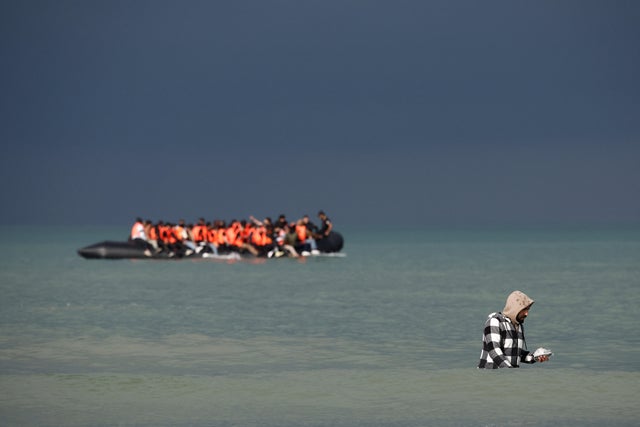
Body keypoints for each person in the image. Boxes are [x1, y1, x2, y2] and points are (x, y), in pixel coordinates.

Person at [478, 290, 550, 369]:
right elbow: (494, 351)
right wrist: (510, 371)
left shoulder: (518, 325)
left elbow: (515, 353)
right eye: (524, 309)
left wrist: (534, 357)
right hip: (490, 376)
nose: (527, 313)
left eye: (528, 309)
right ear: (515, 309)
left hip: (508, 377)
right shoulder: (494, 321)